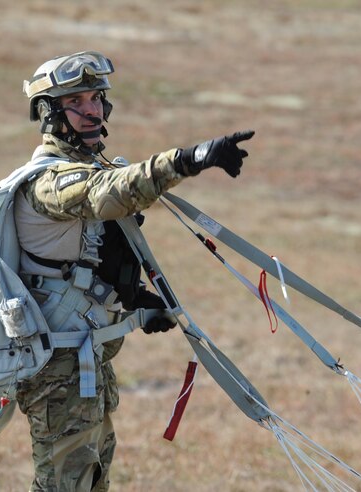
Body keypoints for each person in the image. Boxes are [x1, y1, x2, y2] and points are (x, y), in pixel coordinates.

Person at [15, 50, 254, 491]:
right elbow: (109, 194)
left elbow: (88, 257)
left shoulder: (91, 168)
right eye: (76, 102)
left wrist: (134, 298)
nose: (91, 110)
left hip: (86, 361)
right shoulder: (48, 182)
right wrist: (189, 158)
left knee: (91, 480)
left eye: (95, 98)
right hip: (58, 369)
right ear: (49, 114)